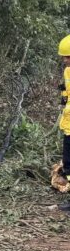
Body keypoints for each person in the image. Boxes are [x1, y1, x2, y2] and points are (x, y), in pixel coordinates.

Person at [57, 34, 70, 211]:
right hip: (68, 125)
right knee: (68, 163)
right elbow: (65, 92)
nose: (65, 60)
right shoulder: (67, 71)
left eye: (68, 56)